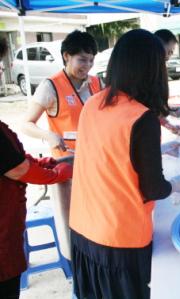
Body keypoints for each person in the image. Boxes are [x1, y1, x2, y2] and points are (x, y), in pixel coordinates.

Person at [69, 29, 180, 299]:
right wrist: (179, 184)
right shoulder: (142, 117)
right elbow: (154, 188)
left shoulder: (94, 102)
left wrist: (162, 150)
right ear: (152, 69)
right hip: (120, 241)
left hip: (83, 229)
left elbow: (110, 153)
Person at [0, 36, 72, 299]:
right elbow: (16, 169)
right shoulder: (50, 86)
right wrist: (54, 174)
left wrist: (35, 161)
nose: (1, 70)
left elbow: (10, 159)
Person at [19, 30, 100, 261]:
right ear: (66, 56)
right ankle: (76, 266)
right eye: (82, 59)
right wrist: (48, 135)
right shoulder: (51, 86)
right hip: (67, 167)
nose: (87, 66)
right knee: (72, 226)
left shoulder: (96, 83)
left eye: (91, 60)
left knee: (95, 222)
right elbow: (26, 124)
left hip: (95, 162)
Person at [154, 29, 180, 136]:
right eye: (169, 51)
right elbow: (149, 107)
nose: (168, 57)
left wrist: (168, 110)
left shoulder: (159, 68)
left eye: (171, 52)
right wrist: (167, 110)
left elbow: (154, 107)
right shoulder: (149, 72)